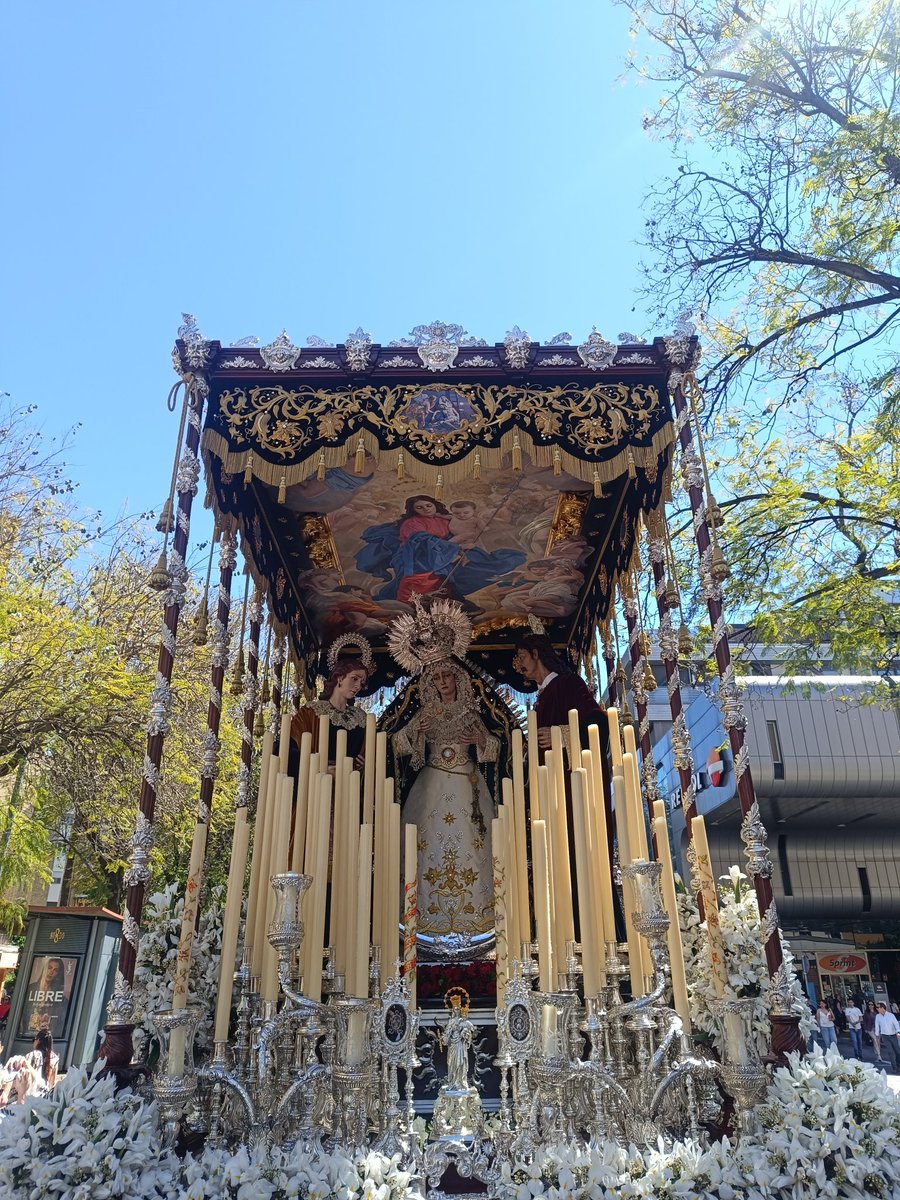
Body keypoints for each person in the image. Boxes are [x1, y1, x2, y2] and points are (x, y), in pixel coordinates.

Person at [392, 659, 499, 948]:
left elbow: (494, 748)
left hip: (467, 784)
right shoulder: (426, 713)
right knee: (426, 847)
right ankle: (424, 919)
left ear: (456, 679)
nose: (441, 681)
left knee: (472, 845)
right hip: (431, 786)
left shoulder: (470, 712)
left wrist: (479, 739)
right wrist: (415, 730)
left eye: (446, 676)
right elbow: (399, 745)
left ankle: (475, 919)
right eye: (436, 677)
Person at [357, 495, 524, 607]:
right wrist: (455, 547)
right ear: (414, 510)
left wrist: (462, 544)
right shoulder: (412, 522)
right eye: (420, 507)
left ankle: (455, 595)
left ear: (434, 505)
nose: (425, 509)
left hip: (443, 552)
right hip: (416, 555)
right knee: (429, 574)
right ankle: (423, 603)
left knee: (475, 559)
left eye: (428, 505)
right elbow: (420, 541)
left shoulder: (443, 519)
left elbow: (456, 532)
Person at [291, 654, 370, 769]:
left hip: (350, 781)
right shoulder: (311, 712)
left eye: (362, 682)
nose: (358, 686)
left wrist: (364, 764)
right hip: (317, 779)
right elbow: (290, 748)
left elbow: (368, 753)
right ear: (340, 678)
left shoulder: (361, 718)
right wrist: (318, 767)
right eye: (354, 678)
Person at [26, 1028, 58, 1092]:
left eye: (34, 1040)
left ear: (38, 1041)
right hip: (44, 1093)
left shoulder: (31, 1055)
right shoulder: (55, 1058)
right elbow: (52, 1082)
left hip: (30, 1093)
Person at [875, 1003, 900, 1070]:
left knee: (897, 1051)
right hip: (885, 1036)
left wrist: (898, 1031)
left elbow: (896, 1023)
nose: (877, 1009)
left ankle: (898, 1064)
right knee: (890, 1052)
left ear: (882, 1008)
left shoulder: (891, 1015)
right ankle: (894, 1067)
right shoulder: (878, 1016)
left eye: (878, 1007)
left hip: (893, 1035)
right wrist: (877, 1035)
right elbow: (877, 1025)